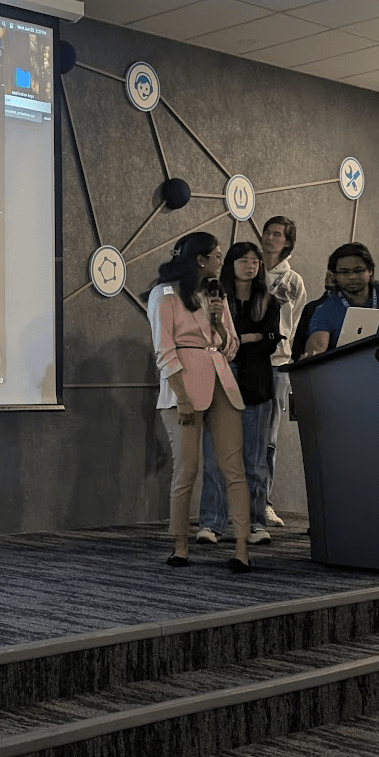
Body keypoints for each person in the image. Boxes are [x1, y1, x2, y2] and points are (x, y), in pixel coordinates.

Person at [146, 232, 254, 573]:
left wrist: (217, 320)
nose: (223, 261)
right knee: (187, 469)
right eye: (217, 256)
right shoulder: (165, 295)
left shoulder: (215, 294)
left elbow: (230, 346)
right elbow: (164, 352)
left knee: (234, 468)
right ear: (200, 259)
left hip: (222, 382)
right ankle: (180, 545)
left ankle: (241, 548)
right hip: (184, 390)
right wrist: (182, 398)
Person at [194, 243, 282, 548]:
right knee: (215, 459)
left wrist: (240, 340)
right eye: (244, 260)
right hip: (220, 387)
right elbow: (212, 340)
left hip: (256, 388)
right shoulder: (215, 299)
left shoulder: (269, 302)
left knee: (254, 462)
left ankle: (255, 523)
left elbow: (270, 343)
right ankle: (211, 523)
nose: (251, 265)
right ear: (230, 264)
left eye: (256, 260)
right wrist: (249, 337)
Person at [260, 216, 305, 529]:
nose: (271, 238)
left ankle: (263, 503)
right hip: (243, 362)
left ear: (288, 242)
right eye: (268, 232)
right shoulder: (247, 268)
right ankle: (232, 505)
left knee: (269, 439)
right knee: (233, 435)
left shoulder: (293, 280)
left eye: (278, 234)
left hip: (278, 364)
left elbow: (297, 322)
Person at [301, 242, 379, 358]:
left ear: (370, 271)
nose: (352, 277)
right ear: (335, 275)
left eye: (358, 271)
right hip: (347, 371)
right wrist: (312, 354)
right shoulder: (326, 308)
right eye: (344, 272)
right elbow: (317, 344)